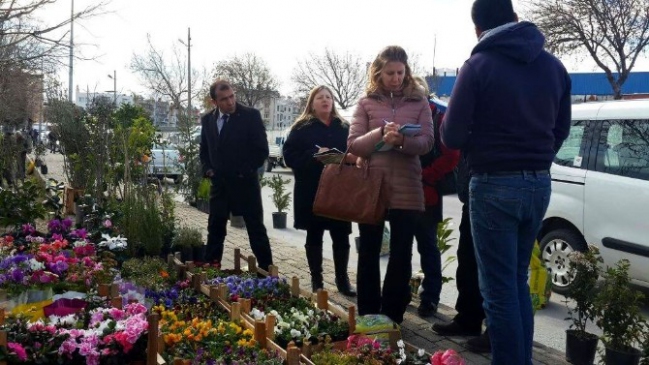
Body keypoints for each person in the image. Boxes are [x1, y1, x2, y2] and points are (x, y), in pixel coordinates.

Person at [441, 0, 572, 363]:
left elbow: (451, 136)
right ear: (516, 19)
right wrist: (535, 156)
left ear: (477, 29)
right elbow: (561, 129)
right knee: (515, 282)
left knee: (498, 290)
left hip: (494, 183)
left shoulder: (477, 66)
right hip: (538, 183)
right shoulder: (555, 67)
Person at [348, 45, 434, 324]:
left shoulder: (420, 103)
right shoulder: (365, 103)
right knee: (369, 251)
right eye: (390, 73)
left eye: (400, 72)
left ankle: (393, 314)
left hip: (408, 188)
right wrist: (380, 134)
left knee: (401, 254)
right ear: (378, 73)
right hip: (373, 186)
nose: (396, 78)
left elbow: (428, 143)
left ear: (407, 71)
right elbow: (353, 145)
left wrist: (403, 141)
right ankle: (369, 314)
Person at [282, 85, 357, 296]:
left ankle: (342, 280)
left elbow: (355, 153)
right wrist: (314, 155)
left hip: (340, 188)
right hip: (312, 189)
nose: (325, 100)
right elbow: (289, 157)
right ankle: (317, 280)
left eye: (328, 97)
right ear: (312, 104)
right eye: (320, 97)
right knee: (314, 235)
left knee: (341, 235)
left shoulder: (344, 127)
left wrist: (345, 157)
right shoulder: (301, 128)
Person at [199, 79, 274, 271]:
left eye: (232, 96)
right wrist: (208, 169)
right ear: (214, 101)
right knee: (215, 228)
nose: (230, 102)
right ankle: (211, 270)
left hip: (245, 184)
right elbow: (204, 149)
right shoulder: (208, 120)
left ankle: (267, 272)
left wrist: (244, 172)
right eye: (224, 99)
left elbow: (261, 151)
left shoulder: (250, 116)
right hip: (220, 184)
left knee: (256, 230)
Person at [431, 153, 489, 352]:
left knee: (495, 269)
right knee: (467, 262)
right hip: (473, 193)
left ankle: (496, 331)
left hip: (495, 188)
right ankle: (468, 319)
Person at [414, 96, 460, 318]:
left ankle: (430, 298)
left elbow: (452, 156)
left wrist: (426, 175)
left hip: (427, 194)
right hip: (401, 192)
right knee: (400, 247)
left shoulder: (438, 117)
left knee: (428, 247)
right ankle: (401, 293)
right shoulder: (400, 112)